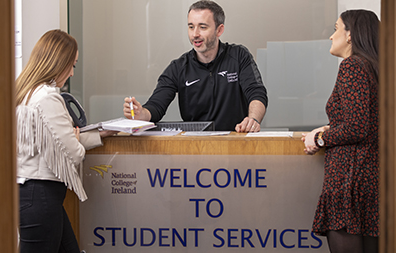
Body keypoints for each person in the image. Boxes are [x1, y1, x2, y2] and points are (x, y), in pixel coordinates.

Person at [15, 29, 115, 252]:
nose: (71, 73)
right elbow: (73, 153)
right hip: (41, 197)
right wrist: (76, 140)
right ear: (58, 63)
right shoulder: (49, 97)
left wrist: (99, 135)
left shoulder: (25, 93)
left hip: (29, 195)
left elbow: (54, 144)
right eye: (72, 65)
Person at [123, 0, 268, 132]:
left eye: (202, 27)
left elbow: (256, 93)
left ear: (219, 30)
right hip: (196, 147)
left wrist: (253, 120)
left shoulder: (238, 56)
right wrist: (142, 114)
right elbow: (156, 105)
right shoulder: (178, 68)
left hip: (235, 142)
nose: (195, 34)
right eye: (191, 27)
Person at [302, 10, 379, 253]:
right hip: (370, 178)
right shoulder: (376, 67)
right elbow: (370, 120)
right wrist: (328, 127)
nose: (331, 36)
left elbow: (357, 127)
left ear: (349, 35)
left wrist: (320, 138)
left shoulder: (352, 66)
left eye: (336, 28)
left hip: (350, 181)